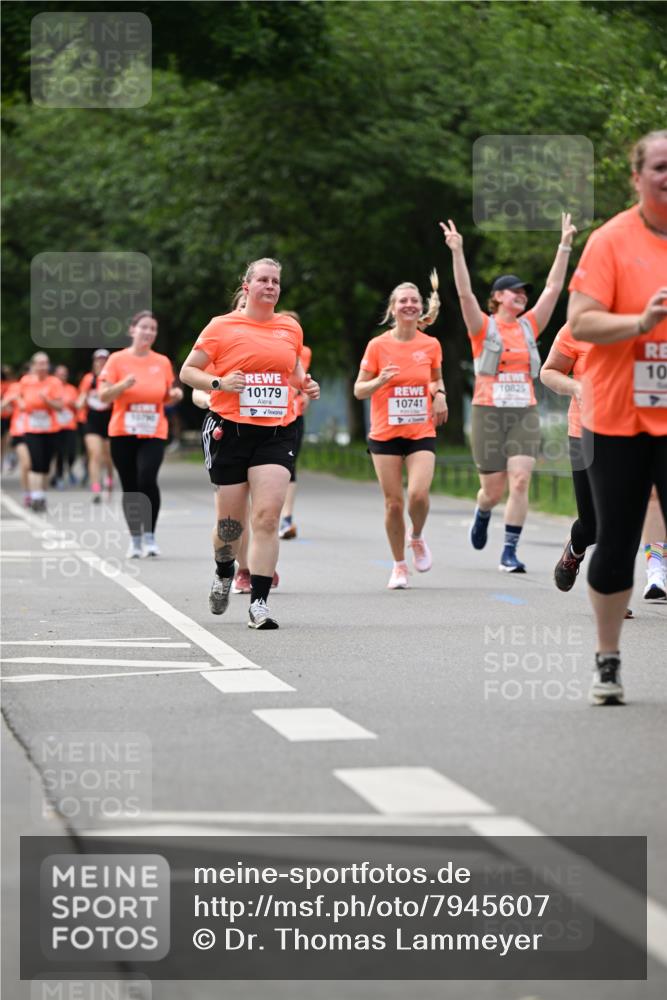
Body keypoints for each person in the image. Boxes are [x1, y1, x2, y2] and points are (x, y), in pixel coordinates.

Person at [568, 128, 667, 705]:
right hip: (619, 415)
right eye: (658, 166)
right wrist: (638, 323)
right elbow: (580, 322)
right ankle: (608, 660)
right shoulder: (611, 241)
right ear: (637, 176)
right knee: (618, 539)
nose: (666, 175)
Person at [180, 257, 319, 630]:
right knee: (230, 526)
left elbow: (294, 374)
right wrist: (219, 384)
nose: (271, 286)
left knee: (267, 517)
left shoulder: (289, 328)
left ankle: (259, 603)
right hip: (230, 430)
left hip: (276, 431)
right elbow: (188, 371)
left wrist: (307, 385)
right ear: (247, 286)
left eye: (276, 281)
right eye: (263, 280)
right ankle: (225, 571)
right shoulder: (221, 326)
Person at [440, 213, 577, 572]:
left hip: (524, 413)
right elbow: (464, 293)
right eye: (514, 291)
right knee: (494, 490)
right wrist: (457, 252)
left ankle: (509, 552)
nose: (521, 296)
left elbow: (552, 289)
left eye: (522, 293)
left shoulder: (530, 325)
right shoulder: (481, 327)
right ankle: (483, 509)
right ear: (497, 297)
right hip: (488, 412)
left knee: (520, 480)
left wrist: (564, 244)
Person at [353, 271, 446, 589]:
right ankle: (399, 565)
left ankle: (416, 536)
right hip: (385, 433)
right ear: (393, 308)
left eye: (414, 300)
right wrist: (380, 381)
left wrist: (440, 395)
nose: (409, 304)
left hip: (421, 430)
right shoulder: (378, 346)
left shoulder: (431, 344)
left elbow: (435, 378)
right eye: (403, 300)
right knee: (394, 503)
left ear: (421, 308)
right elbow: (359, 390)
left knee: (418, 495)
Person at [540, 324, 634, 618]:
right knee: (592, 523)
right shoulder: (579, 326)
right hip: (586, 433)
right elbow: (549, 371)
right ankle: (576, 548)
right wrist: (576, 387)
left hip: (634, 434)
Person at [98, 313, 183, 557]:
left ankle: (150, 536)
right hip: (123, 431)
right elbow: (103, 396)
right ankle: (135, 538)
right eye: (144, 327)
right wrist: (122, 386)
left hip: (154, 430)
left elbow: (167, 394)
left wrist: (175, 396)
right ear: (132, 330)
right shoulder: (116, 360)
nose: (148, 333)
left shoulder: (162, 361)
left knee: (147, 478)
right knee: (131, 486)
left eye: (153, 329)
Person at [14, 352, 63, 511]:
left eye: (45, 363)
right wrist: (22, 404)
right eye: (40, 363)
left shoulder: (54, 382)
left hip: (50, 428)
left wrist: (46, 401)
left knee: (46, 465)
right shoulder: (26, 381)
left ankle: (41, 494)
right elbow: (18, 397)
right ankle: (36, 497)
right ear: (33, 365)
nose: (43, 366)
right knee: (35, 461)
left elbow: (60, 407)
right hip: (32, 428)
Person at [279, 312, 312, 541]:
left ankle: (286, 518)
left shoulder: (304, 352)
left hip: (293, 413)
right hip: (266, 414)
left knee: (289, 464)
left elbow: (300, 378)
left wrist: (305, 391)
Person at [77, 349, 114, 503]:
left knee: (108, 456)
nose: (101, 363)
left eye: (104, 360)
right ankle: (96, 487)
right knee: (94, 453)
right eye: (98, 360)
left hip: (110, 418)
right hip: (92, 419)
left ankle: (109, 478)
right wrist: (79, 402)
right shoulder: (89, 379)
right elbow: (81, 397)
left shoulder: (113, 377)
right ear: (94, 362)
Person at [51, 364, 79, 488]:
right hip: (56, 426)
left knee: (72, 452)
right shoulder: (51, 388)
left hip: (70, 425)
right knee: (59, 453)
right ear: (55, 375)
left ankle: (70, 468)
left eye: (65, 374)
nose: (63, 376)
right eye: (60, 374)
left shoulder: (72, 389)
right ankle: (59, 476)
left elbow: (78, 406)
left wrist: (72, 403)